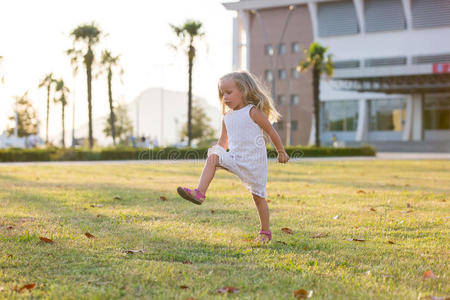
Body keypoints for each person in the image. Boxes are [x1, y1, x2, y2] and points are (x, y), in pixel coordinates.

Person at [177, 71, 289, 243]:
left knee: (258, 198)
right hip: (235, 158)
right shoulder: (227, 117)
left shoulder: (253, 112)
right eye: (222, 94)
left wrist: (281, 151)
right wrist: (218, 157)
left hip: (254, 164)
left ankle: (265, 232)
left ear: (243, 91)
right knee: (213, 155)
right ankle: (199, 192)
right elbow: (223, 142)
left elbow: (270, 131)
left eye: (229, 93)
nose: (225, 98)